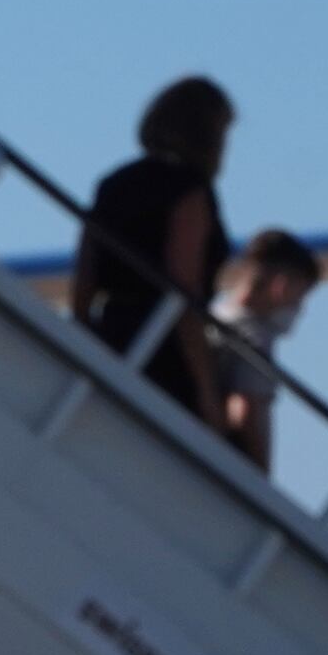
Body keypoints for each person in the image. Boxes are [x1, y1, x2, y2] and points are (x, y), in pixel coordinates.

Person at [74, 76, 238, 429]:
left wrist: (81, 338)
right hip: (162, 352)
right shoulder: (188, 192)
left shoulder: (114, 183)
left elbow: (84, 276)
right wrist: (207, 390)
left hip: (110, 331)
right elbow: (183, 291)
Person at [201, 228, 320, 471]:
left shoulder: (214, 316)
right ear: (282, 285)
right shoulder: (255, 337)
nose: (298, 307)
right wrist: (259, 474)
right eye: (300, 295)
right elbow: (246, 408)